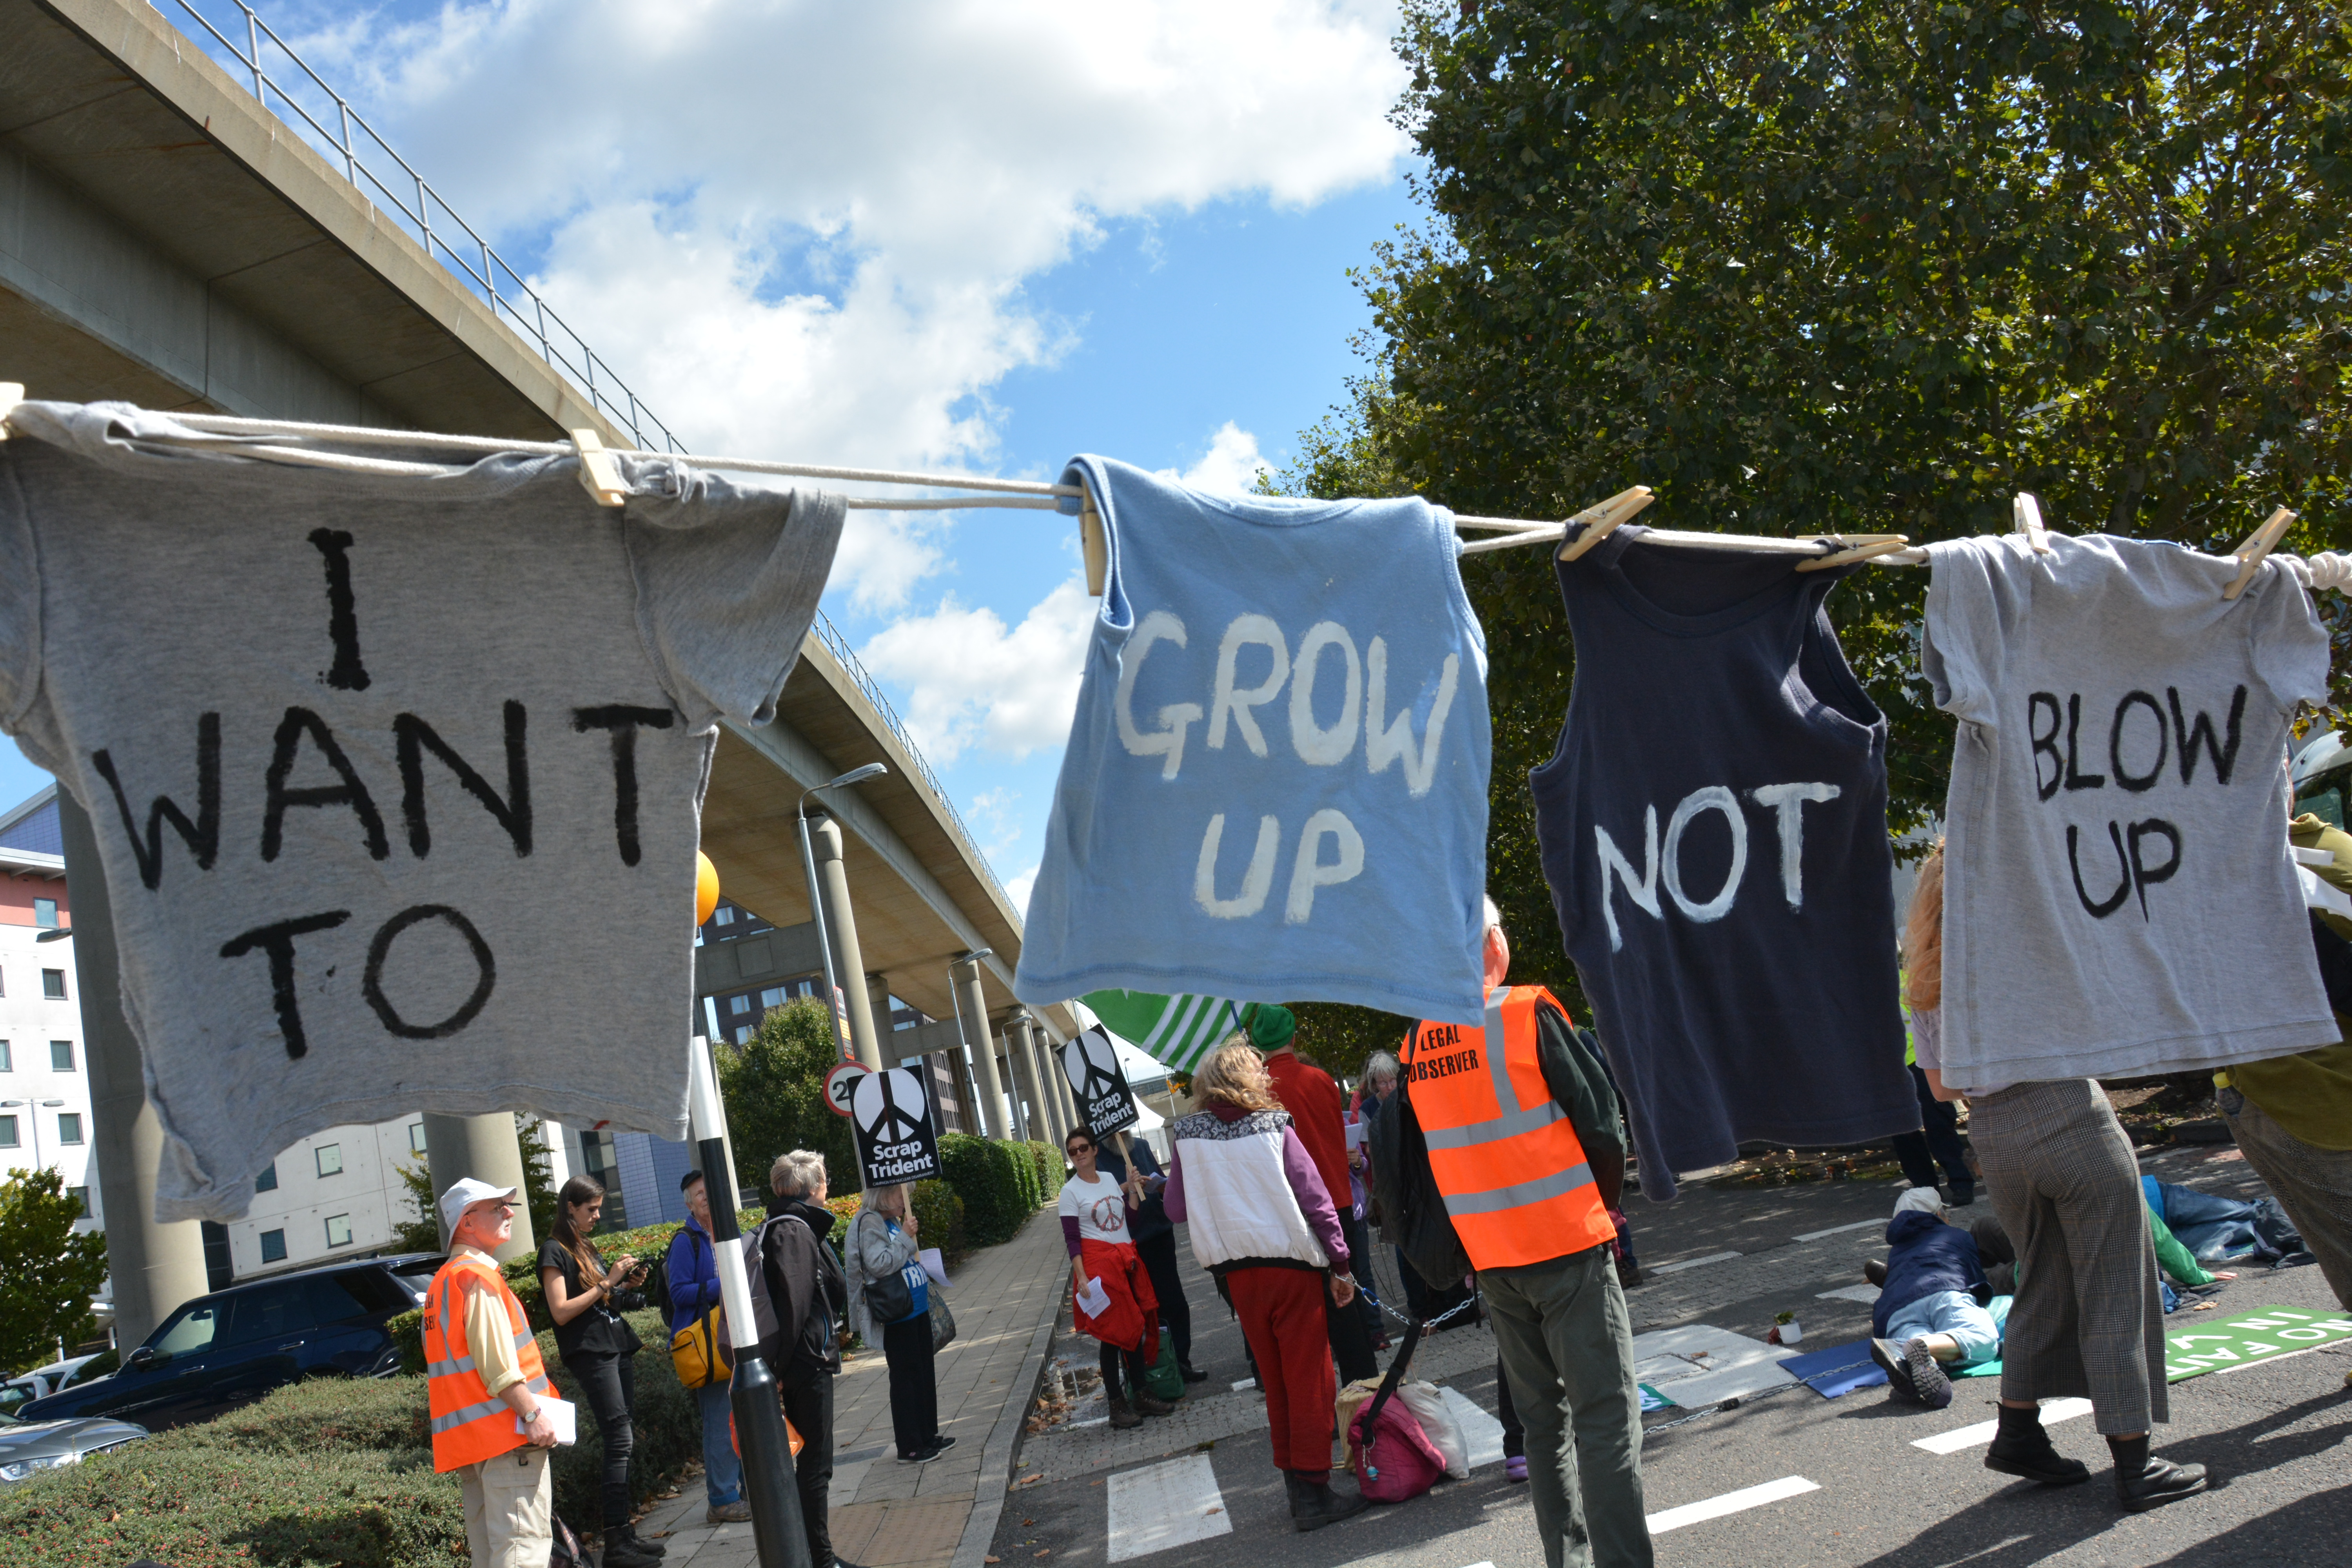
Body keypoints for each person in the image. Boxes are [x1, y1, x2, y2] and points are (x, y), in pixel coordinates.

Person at [1909, 841, 2209, 1512]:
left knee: (2043, 1281)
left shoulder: (1926, 975)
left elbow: (1941, 1083)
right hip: (2069, 1117)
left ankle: (2017, 1430)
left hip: (1993, 1135)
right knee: (2115, 1290)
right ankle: (2136, 1464)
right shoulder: (2031, 945)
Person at [1389, 898, 1648, 1568]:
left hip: (1494, 1264)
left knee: (1541, 1427)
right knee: (1606, 1422)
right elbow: (1602, 1126)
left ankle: (1566, 1559)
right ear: (1490, 941)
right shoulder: (1525, 1011)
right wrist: (1607, 1208)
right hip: (1567, 1244)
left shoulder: (1418, 1043)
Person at [1164, 1040, 1367, 1532]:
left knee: (1274, 1379)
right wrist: (1341, 1264)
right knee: (1310, 1377)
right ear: (1249, 1078)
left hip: (1237, 1275)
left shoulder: (1186, 1137)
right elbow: (1315, 1200)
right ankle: (1316, 1489)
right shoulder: (1276, 1126)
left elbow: (1174, 1209)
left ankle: (1296, 1486)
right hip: (1290, 1267)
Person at [427, 1178, 559, 1568]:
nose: (509, 1212)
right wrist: (532, 1414)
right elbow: (498, 1366)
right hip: (508, 1437)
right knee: (523, 1551)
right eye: (497, 1207)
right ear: (467, 1222)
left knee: (492, 1555)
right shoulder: (478, 1278)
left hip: (473, 1446)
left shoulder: (442, 1283)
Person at [1253, 1004, 1380, 1385]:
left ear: (1259, 1045)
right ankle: (1366, 1398)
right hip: (1337, 1203)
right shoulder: (1320, 1079)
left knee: (1306, 1316)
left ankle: (1321, 1408)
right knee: (1349, 1304)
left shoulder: (1257, 1091)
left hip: (1289, 1211)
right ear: (1294, 1038)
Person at [539, 1176, 661, 1565]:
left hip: (612, 1344)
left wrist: (623, 1287)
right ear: (569, 1207)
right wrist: (608, 1281)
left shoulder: (584, 1246)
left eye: (598, 1207)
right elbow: (561, 1310)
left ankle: (625, 1534)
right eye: (590, 1208)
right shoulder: (554, 1250)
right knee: (619, 1440)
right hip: (592, 1352)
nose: (597, 1214)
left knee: (624, 1438)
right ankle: (618, 1546)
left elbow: (600, 1300)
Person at [759, 1151, 855, 1568]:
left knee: (811, 1463)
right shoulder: (795, 1231)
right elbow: (796, 1306)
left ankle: (814, 1554)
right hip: (805, 1362)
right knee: (816, 1465)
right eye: (825, 1179)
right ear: (813, 1187)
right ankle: (821, 1558)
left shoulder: (783, 1226)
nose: (828, 1185)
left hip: (800, 1359)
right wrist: (776, 1371)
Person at [1060, 1129, 1172, 1428]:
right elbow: (1072, 1239)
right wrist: (1081, 1276)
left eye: (1084, 1147)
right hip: (1099, 1271)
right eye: (1073, 1151)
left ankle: (1141, 1395)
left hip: (1125, 1264)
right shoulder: (1069, 1193)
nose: (1079, 1154)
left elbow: (1130, 1221)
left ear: (1096, 1150)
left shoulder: (1110, 1181)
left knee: (1133, 1330)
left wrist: (1134, 1189)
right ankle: (1117, 1406)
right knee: (1112, 1337)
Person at [1868, 1188, 2002, 1409]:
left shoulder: (1897, 1251)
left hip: (1895, 1311)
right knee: (1984, 1339)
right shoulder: (1958, 1236)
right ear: (1938, 1215)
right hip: (1944, 1291)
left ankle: (1904, 1350)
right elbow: (1975, 1281)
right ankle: (1924, 1346)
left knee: (1914, 1340)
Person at [846, 1183, 951, 1462]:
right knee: (907, 1378)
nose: (906, 1202)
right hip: (898, 1314)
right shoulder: (871, 1221)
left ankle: (928, 1435)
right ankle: (910, 1445)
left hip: (916, 1308)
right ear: (885, 1195)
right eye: (901, 1195)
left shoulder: (890, 1219)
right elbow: (878, 1264)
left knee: (924, 1374)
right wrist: (905, 1237)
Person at [666, 1170, 749, 1524]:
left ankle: (747, 1490)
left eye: (709, 1191)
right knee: (720, 1421)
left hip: (738, 1333)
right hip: (710, 1342)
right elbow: (679, 1292)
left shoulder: (728, 1231)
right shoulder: (687, 1241)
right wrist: (724, 1283)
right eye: (699, 1194)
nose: (706, 1198)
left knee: (745, 1416)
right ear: (689, 1203)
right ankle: (723, 1498)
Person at [1094, 1131, 1206, 1383]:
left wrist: (1162, 1185)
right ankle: (1146, 1375)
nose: (1120, 1134)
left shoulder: (1143, 1147)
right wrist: (1127, 1188)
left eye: (1124, 1129)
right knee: (1141, 1312)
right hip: (1129, 1245)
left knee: (1174, 1302)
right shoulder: (1098, 1160)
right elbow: (1098, 1204)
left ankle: (1181, 1364)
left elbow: (1169, 1188)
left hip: (1159, 1236)